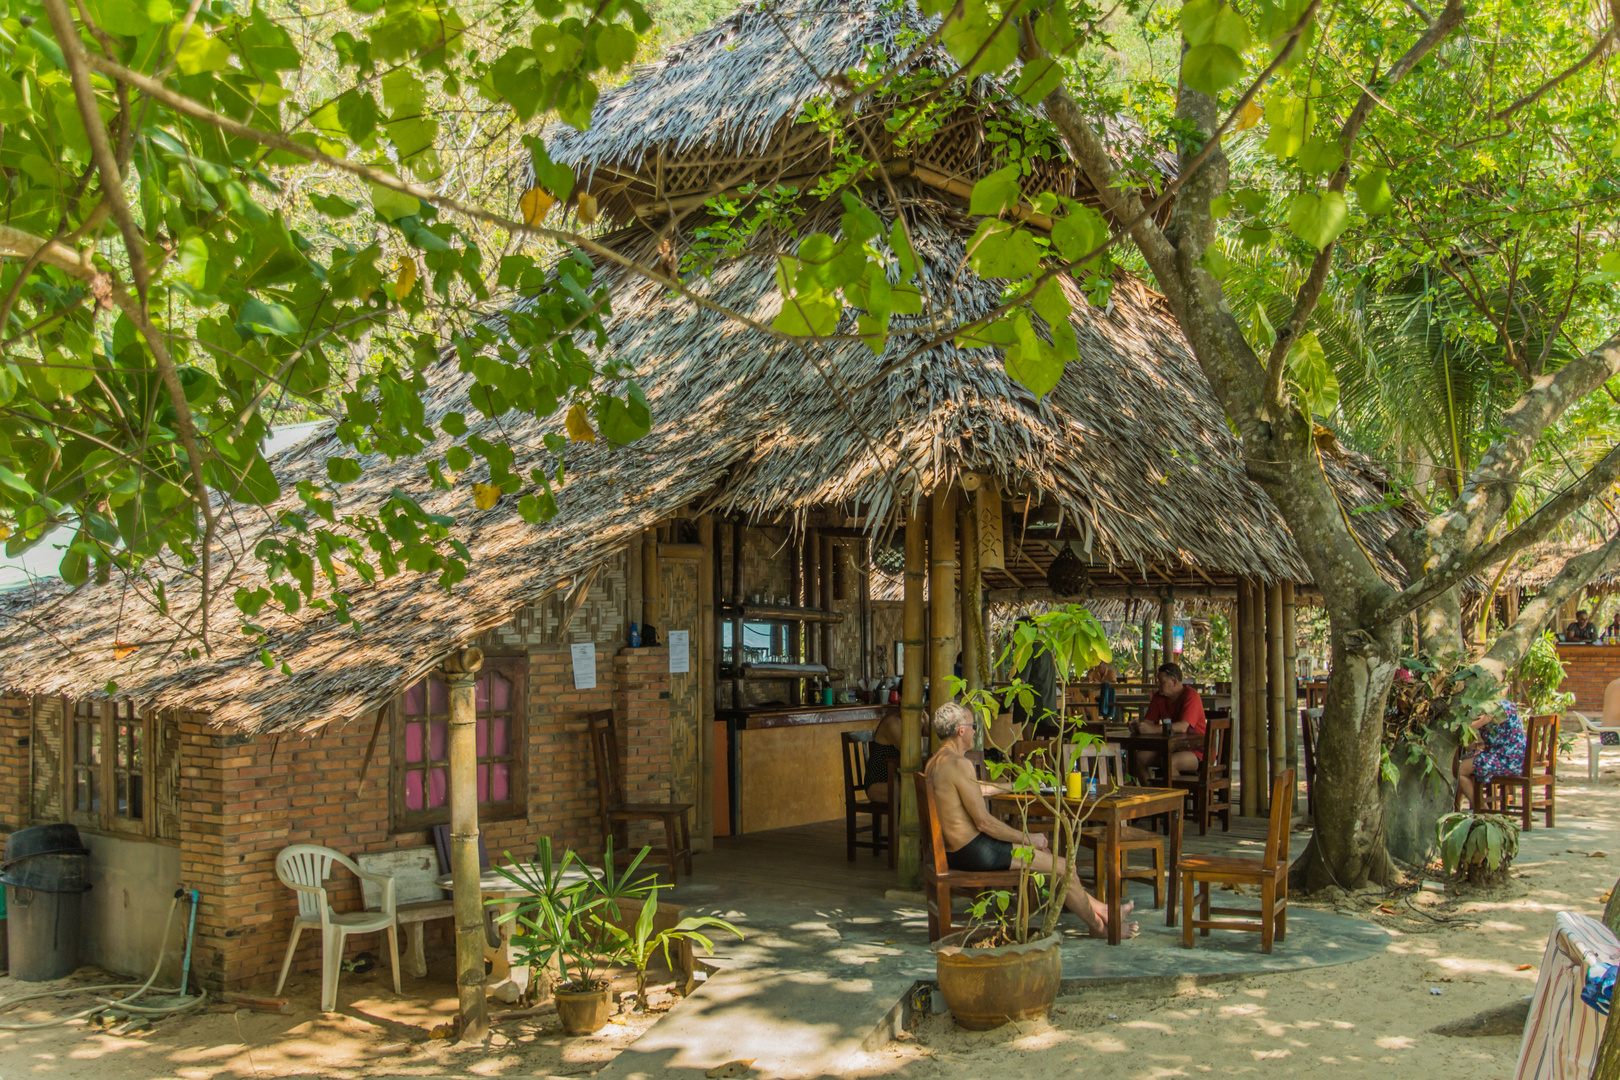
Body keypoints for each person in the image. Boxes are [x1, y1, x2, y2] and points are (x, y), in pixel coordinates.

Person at [923, 702, 1137, 939]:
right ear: (960, 731)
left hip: (956, 850)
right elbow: (984, 822)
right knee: (1063, 867)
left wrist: (1015, 785)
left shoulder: (936, 762)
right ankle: (1100, 928)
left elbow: (975, 790)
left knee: (1060, 866)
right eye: (973, 725)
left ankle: (1103, 911)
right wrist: (1028, 838)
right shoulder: (959, 764)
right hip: (975, 851)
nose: (976, 730)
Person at [1129, 662, 1206, 783]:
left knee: (1169, 761)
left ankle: (1177, 800)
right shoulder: (1159, 697)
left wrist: (1153, 729)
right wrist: (1139, 726)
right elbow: (1148, 722)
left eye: (1161, 681)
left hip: (1197, 751)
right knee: (1139, 757)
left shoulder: (1191, 696)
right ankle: (1153, 794)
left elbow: (1182, 727)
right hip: (1170, 748)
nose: (1157, 684)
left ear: (1174, 681)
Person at [1456, 701, 1527, 808]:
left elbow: (1470, 727)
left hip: (1506, 761)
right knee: (1468, 759)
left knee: (1459, 769)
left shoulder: (1494, 708)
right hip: (1517, 760)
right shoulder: (1509, 705)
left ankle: (1482, 810)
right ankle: (1475, 808)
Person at [1010, 615, 1058, 737]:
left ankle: (1027, 749)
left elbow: (1021, 682)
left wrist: (1008, 695)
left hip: (1034, 711)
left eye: (1016, 631)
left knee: (1022, 706)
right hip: (1050, 708)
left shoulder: (1028, 648)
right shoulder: (1045, 648)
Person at [864, 708, 904, 806]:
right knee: (918, 793)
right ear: (901, 698)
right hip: (877, 784)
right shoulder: (892, 723)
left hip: (899, 781)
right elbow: (910, 753)